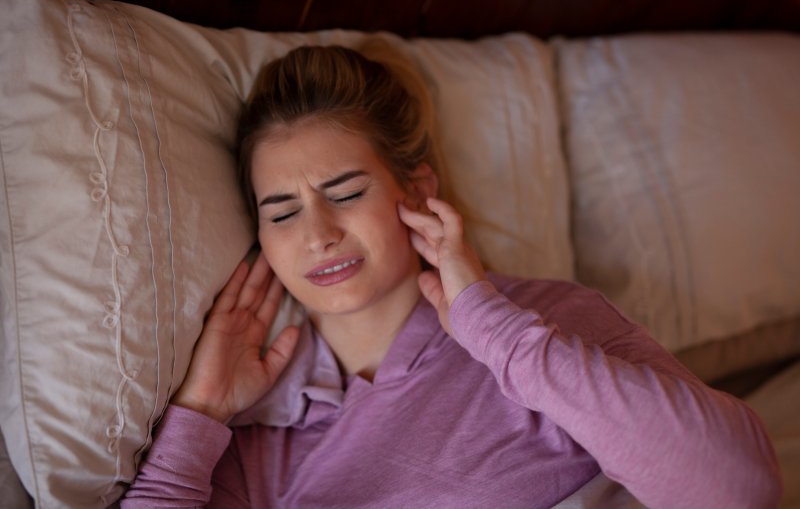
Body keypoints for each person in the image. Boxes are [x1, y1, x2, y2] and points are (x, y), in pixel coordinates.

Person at [122, 42, 781, 508]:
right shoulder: (262, 441)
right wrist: (200, 411)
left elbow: (741, 488)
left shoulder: (537, 325)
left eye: (346, 191)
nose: (318, 232)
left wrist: (491, 328)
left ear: (416, 189)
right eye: (284, 210)